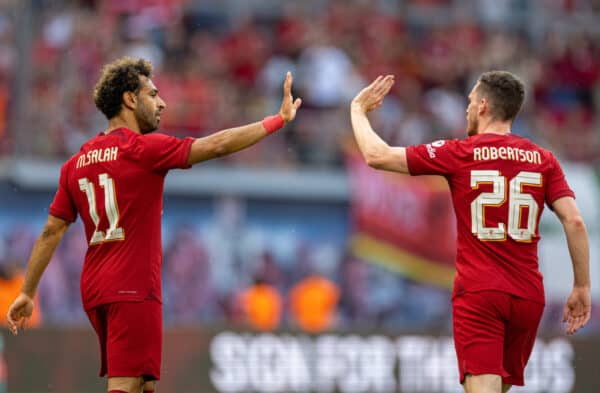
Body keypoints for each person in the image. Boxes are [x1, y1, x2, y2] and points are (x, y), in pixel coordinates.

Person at [6, 57, 301, 393]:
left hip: (96, 290)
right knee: (126, 384)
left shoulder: (76, 163)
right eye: (153, 94)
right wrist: (276, 121)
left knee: (144, 383)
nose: (162, 103)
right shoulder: (143, 150)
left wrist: (28, 292)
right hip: (132, 288)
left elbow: (51, 230)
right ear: (130, 100)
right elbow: (217, 145)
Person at [350, 71, 590, 393]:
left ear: (483, 105)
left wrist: (357, 110)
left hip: (480, 293)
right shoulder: (543, 160)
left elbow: (376, 155)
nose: (465, 109)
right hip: (528, 297)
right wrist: (582, 286)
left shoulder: (461, 153)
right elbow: (574, 221)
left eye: (469, 102)